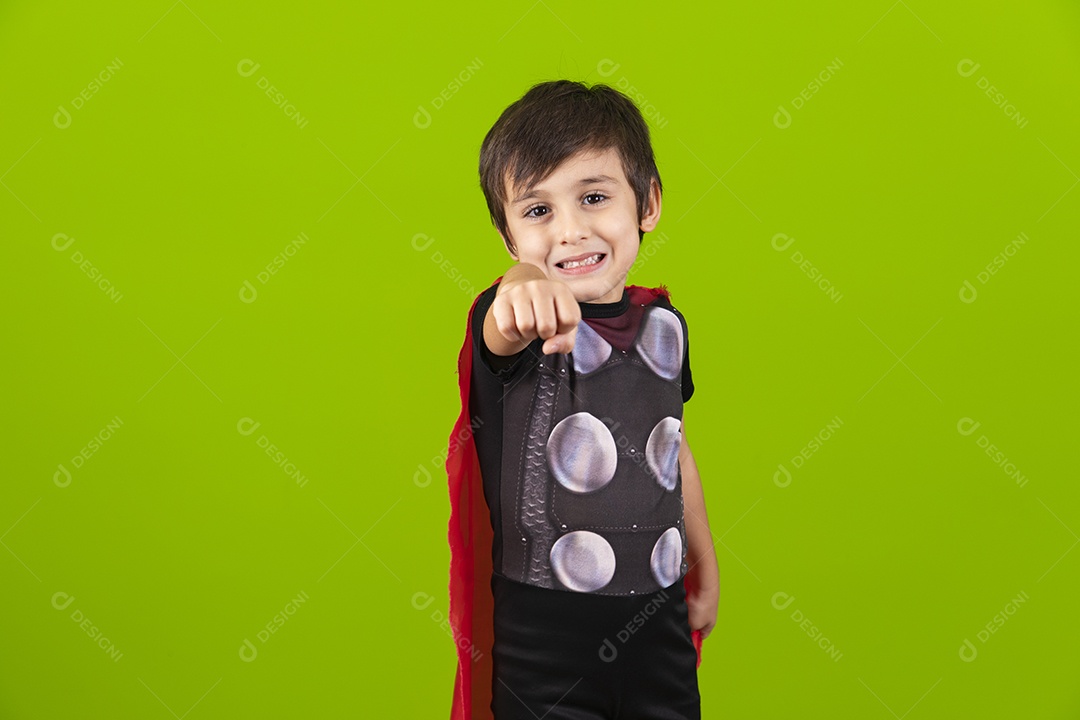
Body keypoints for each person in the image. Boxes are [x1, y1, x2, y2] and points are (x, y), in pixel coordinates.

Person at [445, 79, 719, 720]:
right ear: (510, 237)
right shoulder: (516, 321)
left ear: (647, 203)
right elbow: (506, 313)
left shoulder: (665, 326)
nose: (569, 231)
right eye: (537, 211)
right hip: (546, 640)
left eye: (594, 197)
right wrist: (522, 283)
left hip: (659, 628)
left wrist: (703, 567)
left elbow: (672, 452)